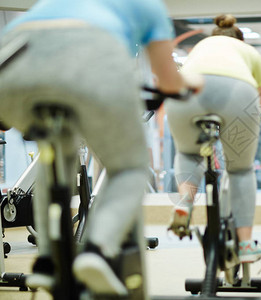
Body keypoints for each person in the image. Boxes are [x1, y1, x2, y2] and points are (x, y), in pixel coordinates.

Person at [0, 0, 202, 295]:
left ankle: (48, 261)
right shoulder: (148, 5)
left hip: (11, 65)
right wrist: (191, 83)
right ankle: (98, 251)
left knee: (54, 156)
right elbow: (169, 80)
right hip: (92, 64)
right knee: (129, 168)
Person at [166, 14, 261, 263]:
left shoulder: (201, 47)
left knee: (188, 153)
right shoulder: (247, 51)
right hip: (236, 93)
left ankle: (184, 204)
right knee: (240, 170)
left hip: (187, 90)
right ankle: (244, 245)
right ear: (239, 39)